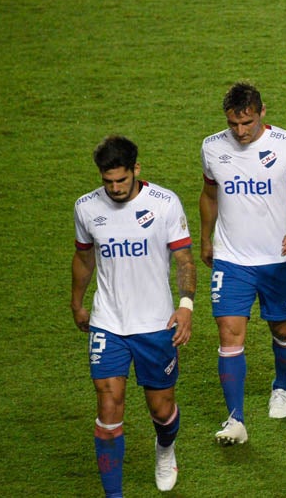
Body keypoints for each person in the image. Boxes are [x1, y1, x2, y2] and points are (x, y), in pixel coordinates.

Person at [71, 135, 196, 495]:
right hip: (108, 323)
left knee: (162, 409)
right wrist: (77, 302)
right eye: (107, 182)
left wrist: (185, 307)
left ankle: (165, 447)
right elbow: (83, 257)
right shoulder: (86, 208)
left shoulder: (164, 203)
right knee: (108, 408)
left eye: (121, 180)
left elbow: (185, 260)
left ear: (136, 169)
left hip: (156, 325)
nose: (114, 188)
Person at [199, 81, 286, 445]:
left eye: (247, 123)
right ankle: (235, 419)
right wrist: (206, 238)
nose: (240, 131)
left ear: (262, 112)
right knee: (229, 334)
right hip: (232, 259)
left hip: (276, 259)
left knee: (282, 329)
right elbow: (209, 195)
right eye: (233, 124)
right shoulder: (212, 147)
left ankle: (281, 387)